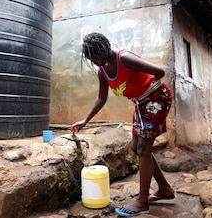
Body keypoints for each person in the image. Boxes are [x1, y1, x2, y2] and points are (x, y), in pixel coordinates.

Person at [71, 32, 175, 217]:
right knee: (137, 148)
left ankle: (142, 202)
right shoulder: (102, 70)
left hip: (156, 98)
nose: (95, 61)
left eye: (95, 57)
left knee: (143, 148)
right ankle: (165, 188)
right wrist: (85, 120)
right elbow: (101, 98)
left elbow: (159, 72)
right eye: (90, 59)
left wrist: (143, 85)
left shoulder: (124, 58)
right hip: (141, 103)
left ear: (103, 49)